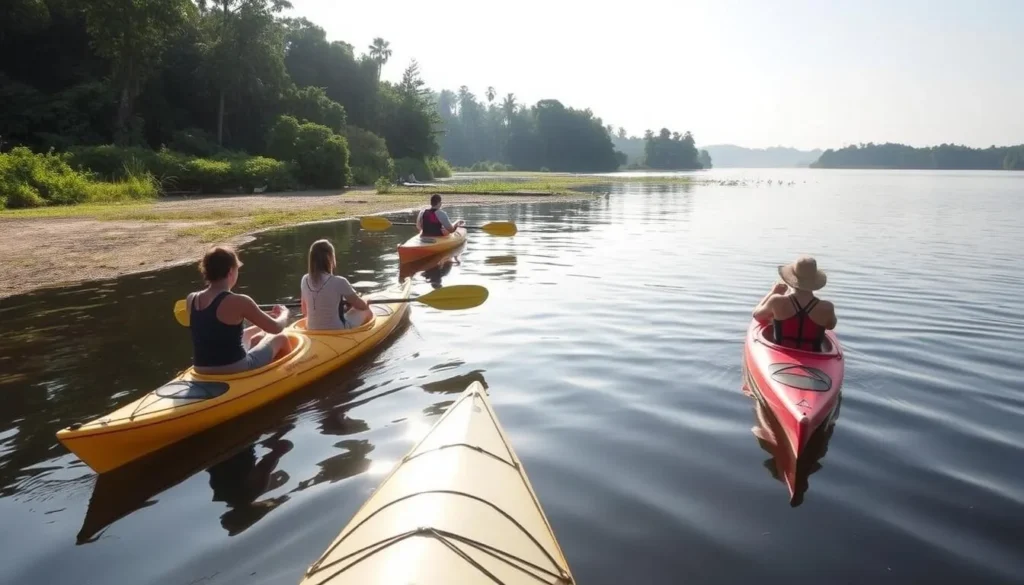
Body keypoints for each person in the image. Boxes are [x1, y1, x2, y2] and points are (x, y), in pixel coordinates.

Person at [187, 246, 291, 375]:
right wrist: (284, 314)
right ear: (231, 271)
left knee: (248, 333)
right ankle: (285, 374)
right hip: (234, 367)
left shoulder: (191, 298)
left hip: (200, 368)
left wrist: (260, 317)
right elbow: (276, 328)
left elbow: (215, 329)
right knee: (280, 338)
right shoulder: (239, 301)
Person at [752, 255, 837, 352]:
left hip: (782, 353)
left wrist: (773, 292)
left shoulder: (777, 301)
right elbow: (831, 326)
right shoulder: (827, 307)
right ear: (814, 280)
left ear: (792, 279)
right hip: (813, 355)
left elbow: (756, 315)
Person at [300, 239, 372, 330]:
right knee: (366, 310)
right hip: (336, 330)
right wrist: (366, 300)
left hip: (311, 329)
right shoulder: (340, 281)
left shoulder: (304, 279)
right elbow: (362, 306)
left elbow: (304, 310)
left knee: (345, 312)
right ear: (330, 258)